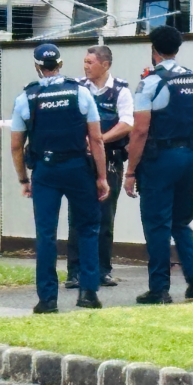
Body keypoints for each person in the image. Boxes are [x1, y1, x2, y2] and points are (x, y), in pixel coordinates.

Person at [9, 43, 109, 313]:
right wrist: (101, 177)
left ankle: (47, 299)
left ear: (36, 66)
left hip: (46, 171)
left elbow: (16, 146)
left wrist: (23, 179)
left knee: (46, 235)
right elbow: (96, 140)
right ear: (61, 65)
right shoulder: (81, 93)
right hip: (78, 167)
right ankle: (88, 292)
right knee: (87, 229)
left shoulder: (26, 98)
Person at [124, 26, 193, 304]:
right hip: (189, 156)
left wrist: (130, 171)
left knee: (157, 224)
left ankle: (159, 289)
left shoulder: (150, 82)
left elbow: (139, 130)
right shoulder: (192, 78)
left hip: (160, 159)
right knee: (181, 221)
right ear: (177, 49)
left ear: (154, 50)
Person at [65, 45, 132, 290]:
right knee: (77, 217)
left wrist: (100, 140)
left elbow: (127, 123)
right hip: (81, 160)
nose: (85, 66)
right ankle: (75, 272)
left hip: (111, 159)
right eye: (84, 61)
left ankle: (103, 271)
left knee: (105, 217)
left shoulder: (120, 91)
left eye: (90, 62)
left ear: (105, 65)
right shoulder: (77, 88)